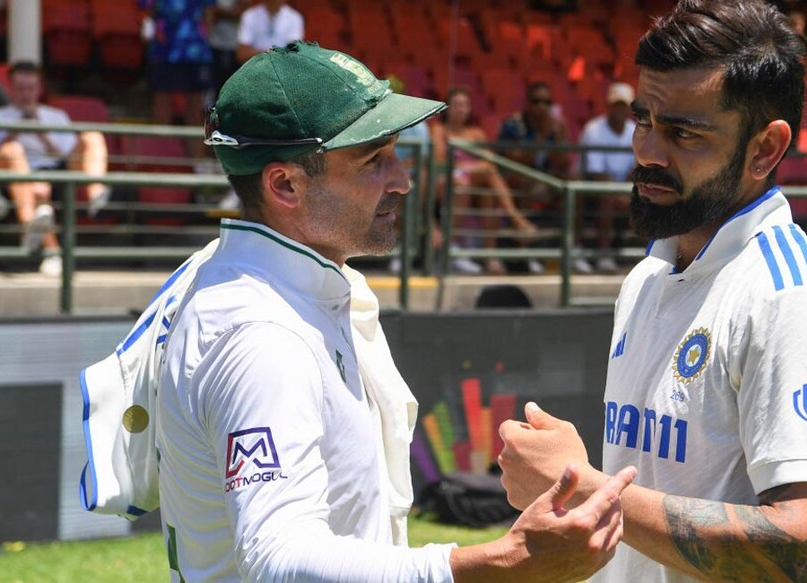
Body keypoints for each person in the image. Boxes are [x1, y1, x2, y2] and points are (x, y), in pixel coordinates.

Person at [161, 40, 636, 582]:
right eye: (373, 161)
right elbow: (277, 560)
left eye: (394, 154)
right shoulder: (261, 336)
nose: (403, 181)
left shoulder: (286, 285)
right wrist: (503, 562)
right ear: (285, 184)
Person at [497, 2, 807, 583]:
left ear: (765, 149)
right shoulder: (650, 275)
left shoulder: (796, 299)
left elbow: (806, 551)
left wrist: (584, 487)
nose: (647, 152)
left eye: (683, 133)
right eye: (643, 120)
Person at [0, 61, 110, 275]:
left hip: (57, 168)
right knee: (37, 184)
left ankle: (96, 192)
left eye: (30, 88)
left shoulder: (56, 116)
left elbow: (66, 155)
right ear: (11, 88)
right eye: (20, 89)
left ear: (39, 88)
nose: (25, 94)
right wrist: (15, 131)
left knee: (92, 136)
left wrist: (40, 132)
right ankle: (51, 251)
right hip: (17, 175)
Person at [432, 87, 537, 274]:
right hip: (445, 180)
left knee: (488, 193)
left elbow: (490, 161)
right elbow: (439, 161)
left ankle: (490, 256)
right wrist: (470, 166)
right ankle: (516, 219)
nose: (461, 109)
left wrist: (467, 167)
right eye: (456, 105)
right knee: (470, 181)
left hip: (471, 183)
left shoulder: (476, 133)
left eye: (465, 105)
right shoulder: (439, 130)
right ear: (447, 108)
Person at [497, 81, 572, 272]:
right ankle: (526, 252)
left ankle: (573, 249)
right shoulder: (513, 125)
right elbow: (515, 163)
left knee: (573, 184)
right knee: (525, 182)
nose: (541, 107)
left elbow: (563, 164)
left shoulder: (555, 126)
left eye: (546, 102)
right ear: (528, 103)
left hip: (545, 180)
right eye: (536, 101)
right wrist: (543, 135)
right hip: (514, 179)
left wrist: (558, 139)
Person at [139, 0, 215, 160]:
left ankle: (197, 164)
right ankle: (161, 161)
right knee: (162, 108)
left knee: (196, 110)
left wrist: (201, 36)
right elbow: (147, 12)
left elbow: (209, 13)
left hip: (195, 51)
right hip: (163, 51)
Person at [578, 82, 637, 273]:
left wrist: (624, 191)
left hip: (624, 188)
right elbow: (595, 172)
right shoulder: (593, 129)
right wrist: (618, 192)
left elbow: (636, 169)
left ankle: (652, 257)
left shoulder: (634, 130)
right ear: (608, 106)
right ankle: (603, 253)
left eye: (623, 105)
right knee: (607, 198)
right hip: (593, 188)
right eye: (616, 105)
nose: (620, 110)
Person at [236, 0, 304, 63]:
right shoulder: (249, 15)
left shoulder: (294, 18)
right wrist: (271, 54)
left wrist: (265, 54)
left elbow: (294, 54)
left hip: (282, 67)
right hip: (256, 67)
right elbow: (242, 54)